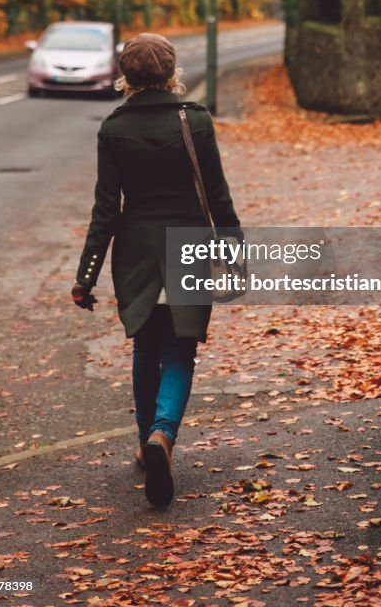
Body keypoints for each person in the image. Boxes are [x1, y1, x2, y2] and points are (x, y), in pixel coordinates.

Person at [71, 32, 240, 508]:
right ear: (171, 73)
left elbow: (106, 211)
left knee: (146, 346)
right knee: (180, 350)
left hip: (137, 253)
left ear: (127, 77)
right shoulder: (197, 121)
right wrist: (235, 252)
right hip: (189, 245)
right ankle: (162, 435)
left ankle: (148, 441)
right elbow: (219, 197)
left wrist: (85, 276)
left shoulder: (114, 128)